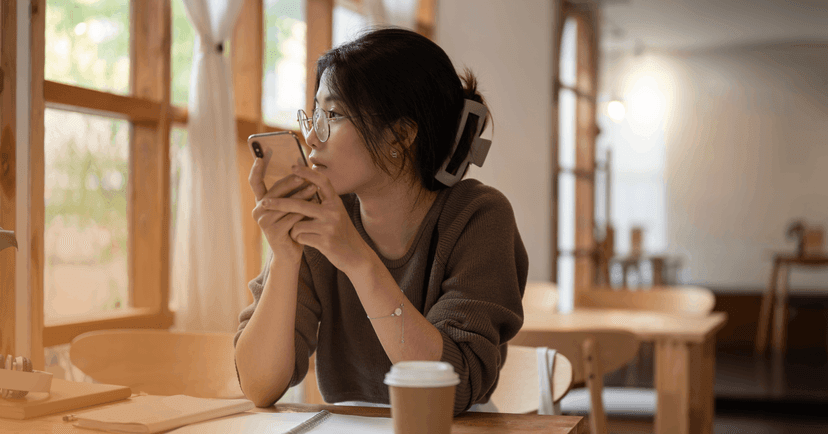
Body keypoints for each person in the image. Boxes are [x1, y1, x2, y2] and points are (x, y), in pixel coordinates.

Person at [233, 27, 528, 416]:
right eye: (315, 114)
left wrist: (357, 259)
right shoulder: (323, 216)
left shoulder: (478, 217)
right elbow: (258, 386)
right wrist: (286, 257)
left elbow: (450, 390)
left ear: (401, 134)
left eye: (333, 115)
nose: (312, 139)